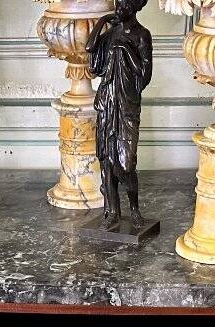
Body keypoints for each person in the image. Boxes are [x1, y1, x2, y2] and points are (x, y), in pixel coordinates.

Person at [86, 0, 153, 230]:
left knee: (125, 163)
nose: (119, 7)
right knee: (106, 159)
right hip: (107, 103)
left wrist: (124, 49)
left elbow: (144, 75)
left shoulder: (142, 35)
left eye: (124, 3)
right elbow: (90, 52)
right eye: (118, 3)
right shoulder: (111, 32)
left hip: (127, 106)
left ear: (134, 7)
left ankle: (134, 210)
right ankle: (112, 212)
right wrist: (103, 21)